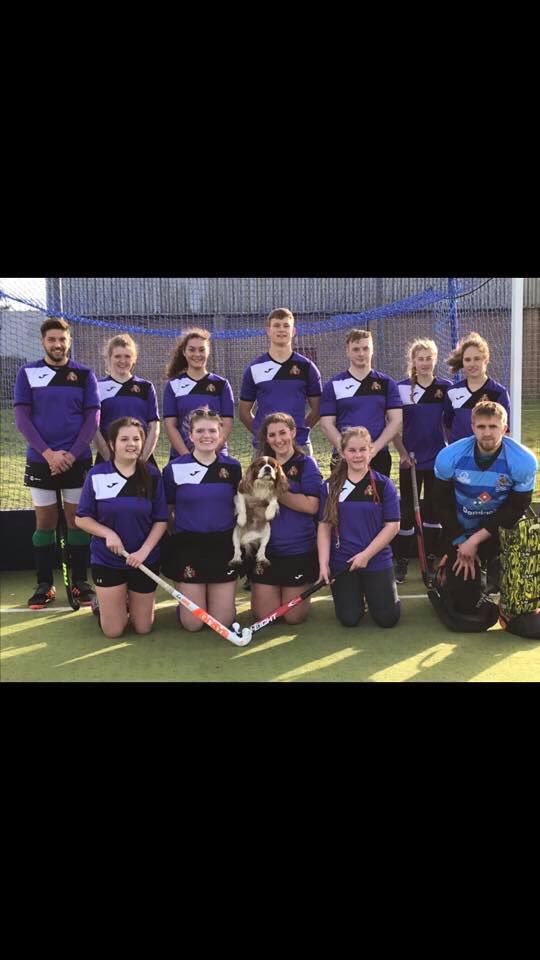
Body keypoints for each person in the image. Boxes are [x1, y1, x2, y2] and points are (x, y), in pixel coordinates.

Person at [14, 316, 100, 609]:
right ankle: (44, 585)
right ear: (43, 342)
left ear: (69, 342)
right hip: (41, 460)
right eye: (52, 340)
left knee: (78, 522)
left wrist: (72, 455)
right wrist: (48, 453)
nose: (57, 345)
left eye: (62, 340)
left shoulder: (84, 375)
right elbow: (22, 419)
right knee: (45, 523)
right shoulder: (28, 373)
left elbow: (92, 420)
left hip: (76, 460)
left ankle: (80, 583)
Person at [433, 400, 537, 622]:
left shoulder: (523, 460)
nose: (487, 433)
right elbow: (440, 503)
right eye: (481, 427)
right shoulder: (450, 456)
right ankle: (445, 569)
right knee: (466, 603)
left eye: (493, 427)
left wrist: (477, 541)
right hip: (461, 532)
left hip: (499, 531)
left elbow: (516, 508)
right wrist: (462, 542)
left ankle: (497, 570)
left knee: (523, 599)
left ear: (504, 428)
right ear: (473, 427)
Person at [75, 418, 168, 638]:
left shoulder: (153, 475)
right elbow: (81, 519)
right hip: (108, 561)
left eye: (136, 439)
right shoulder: (97, 475)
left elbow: (161, 519)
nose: (132, 444)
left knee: (143, 628)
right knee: (114, 631)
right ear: (111, 443)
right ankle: (104, 604)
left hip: (144, 560)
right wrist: (108, 533)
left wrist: (144, 552)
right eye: (124, 439)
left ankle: (124, 602)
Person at [161, 408, 242, 632]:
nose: (206, 436)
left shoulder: (232, 468)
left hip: (223, 546)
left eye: (212, 431)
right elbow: (167, 509)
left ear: (220, 433)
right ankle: (186, 602)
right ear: (191, 435)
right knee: (194, 624)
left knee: (222, 623)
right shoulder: (174, 469)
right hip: (189, 547)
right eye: (200, 431)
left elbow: (239, 506)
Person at [317, 427, 401, 629]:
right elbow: (324, 528)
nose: (357, 455)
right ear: (343, 453)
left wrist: (366, 556)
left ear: (370, 451)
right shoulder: (330, 487)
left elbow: (393, 526)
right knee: (349, 618)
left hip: (376, 559)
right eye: (352, 450)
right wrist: (323, 564)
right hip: (343, 562)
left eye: (362, 450)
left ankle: (379, 592)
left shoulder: (384, 485)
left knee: (387, 619)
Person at [248, 413, 323, 625]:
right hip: (267, 552)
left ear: (293, 432)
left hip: (298, 551)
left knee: (293, 617)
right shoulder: (259, 466)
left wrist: (277, 491)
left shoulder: (306, 464)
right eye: (272, 435)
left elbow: (311, 506)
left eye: (283, 432)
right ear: (266, 438)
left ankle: (297, 588)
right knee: (265, 617)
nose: (278, 439)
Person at [392, 338, 453, 583]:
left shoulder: (446, 388)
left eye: (429, 358)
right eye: (421, 358)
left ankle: (428, 557)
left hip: (437, 461)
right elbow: (394, 428)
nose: (425, 363)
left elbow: (450, 424)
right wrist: (403, 454)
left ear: (435, 359)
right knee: (407, 510)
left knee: (433, 511)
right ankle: (402, 559)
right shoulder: (401, 389)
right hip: (412, 461)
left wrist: (448, 453)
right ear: (413, 361)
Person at [239, 308, 322, 457]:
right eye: (276, 325)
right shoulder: (254, 369)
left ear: (294, 331)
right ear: (268, 331)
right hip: (264, 447)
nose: (281, 330)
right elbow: (244, 411)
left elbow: (317, 408)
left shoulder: (307, 367)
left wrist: (299, 429)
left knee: (309, 480)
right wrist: (264, 433)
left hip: (299, 444)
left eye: (286, 325)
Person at [319, 329, 402, 476]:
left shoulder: (387, 383)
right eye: (356, 349)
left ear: (372, 350)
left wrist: (375, 448)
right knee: (343, 499)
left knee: (378, 498)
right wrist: (345, 450)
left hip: (378, 455)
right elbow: (326, 424)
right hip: (343, 457)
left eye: (365, 348)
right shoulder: (334, 384)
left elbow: (396, 421)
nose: (361, 353)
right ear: (347, 351)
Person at [163, 328, 234, 460]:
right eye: (192, 349)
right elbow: (170, 425)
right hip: (182, 456)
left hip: (215, 456)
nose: (197, 354)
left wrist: (211, 452)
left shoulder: (221, 384)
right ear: (184, 352)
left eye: (202, 349)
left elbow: (227, 423)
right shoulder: (173, 385)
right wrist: (187, 457)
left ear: (208, 351)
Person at [94, 334, 160, 466]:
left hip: (140, 458)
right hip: (108, 460)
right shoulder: (97, 387)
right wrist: (109, 459)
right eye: (117, 356)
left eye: (127, 356)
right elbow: (93, 427)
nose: (122, 361)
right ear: (109, 358)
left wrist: (142, 459)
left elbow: (154, 426)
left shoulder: (146, 387)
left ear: (134, 359)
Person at [443, 331, 511, 443]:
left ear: (485, 360)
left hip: (487, 456)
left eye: (477, 359)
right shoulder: (452, 391)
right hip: (460, 456)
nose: (472, 364)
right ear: (463, 362)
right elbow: (447, 424)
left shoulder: (499, 392)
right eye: (467, 360)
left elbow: (506, 431)